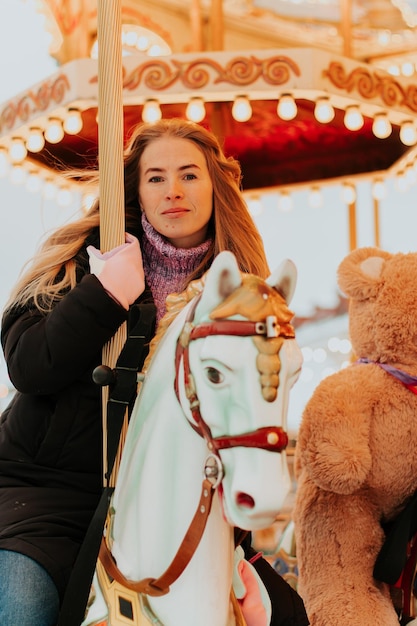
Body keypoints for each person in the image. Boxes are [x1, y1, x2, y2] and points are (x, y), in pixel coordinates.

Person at [0, 118, 308, 626]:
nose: (173, 191)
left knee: (289, 614)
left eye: (189, 175)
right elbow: (30, 367)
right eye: (156, 177)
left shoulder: (238, 298)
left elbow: (238, 421)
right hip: (52, 499)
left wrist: (239, 543)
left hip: (174, 509)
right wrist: (104, 295)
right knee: (22, 604)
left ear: (215, 186)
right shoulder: (79, 267)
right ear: (135, 190)